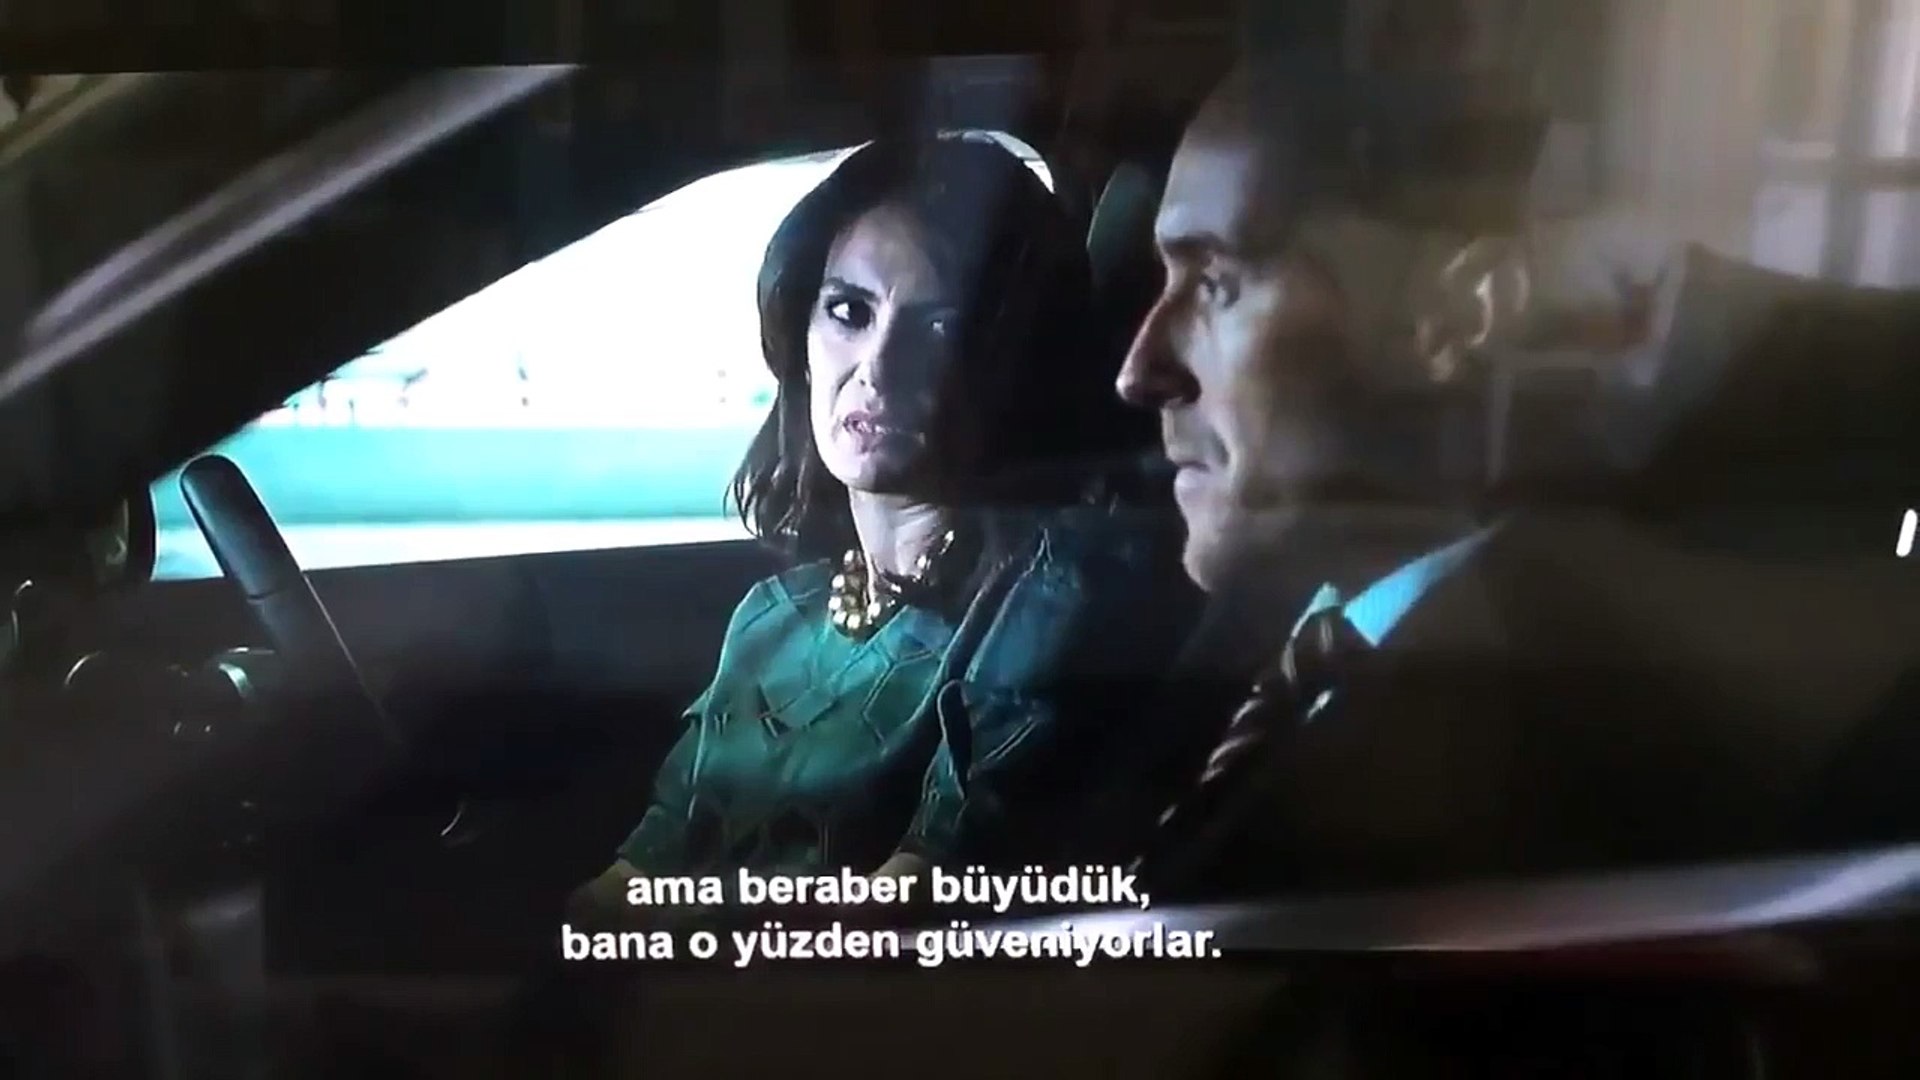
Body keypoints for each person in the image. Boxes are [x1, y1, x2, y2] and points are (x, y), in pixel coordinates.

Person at [1107, 54, 1913, 902]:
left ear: (1460, 314)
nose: (1137, 370)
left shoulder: (1564, 711)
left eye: (1217, 283)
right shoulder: (1262, 632)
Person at [567, 133, 1192, 929]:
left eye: (941, 328)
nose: (877, 367)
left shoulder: (1051, 597)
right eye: (849, 312)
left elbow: (910, 908)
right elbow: (637, 876)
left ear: (1015, 363)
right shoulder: (772, 618)